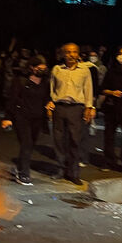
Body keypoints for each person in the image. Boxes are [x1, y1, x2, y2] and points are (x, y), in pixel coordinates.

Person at [47, 43, 95, 184]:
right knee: (59, 140)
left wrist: (89, 107)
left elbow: (88, 89)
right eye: (67, 52)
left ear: (78, 54)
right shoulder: (57, 69)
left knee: (75, 140)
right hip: (60, 108)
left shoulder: (84, 70)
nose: (71, 54)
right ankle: (61, 169)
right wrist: (50, 103)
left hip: (76, 108)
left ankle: (73, 172)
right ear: (63, 54)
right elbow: (52, 88)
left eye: (74, 52)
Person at [1, 56, 51, 185]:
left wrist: (50, 104)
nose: (42, 70)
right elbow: (12, 99)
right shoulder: (21, 81)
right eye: (39, 68)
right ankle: (24, 174)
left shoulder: (46, 82)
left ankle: (21, 167)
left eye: (44, 68)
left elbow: (47, 98)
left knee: (30, 145)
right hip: (22, 118)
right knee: (26, 144)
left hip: (38, 119)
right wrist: (7, 118)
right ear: (32, 68)